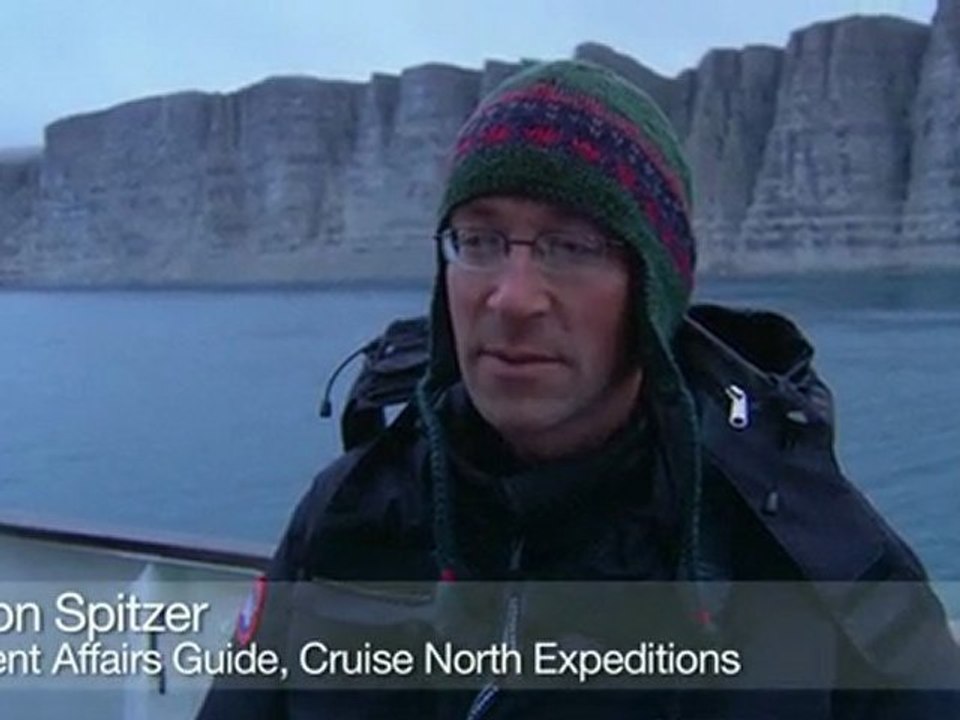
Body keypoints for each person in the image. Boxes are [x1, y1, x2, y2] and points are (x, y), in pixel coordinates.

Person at [197, 59, 959, 719]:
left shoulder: (811, 565)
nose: (513, 296)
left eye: (572, 245)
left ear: (653, 289)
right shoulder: (350, 514)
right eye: (481, 240)